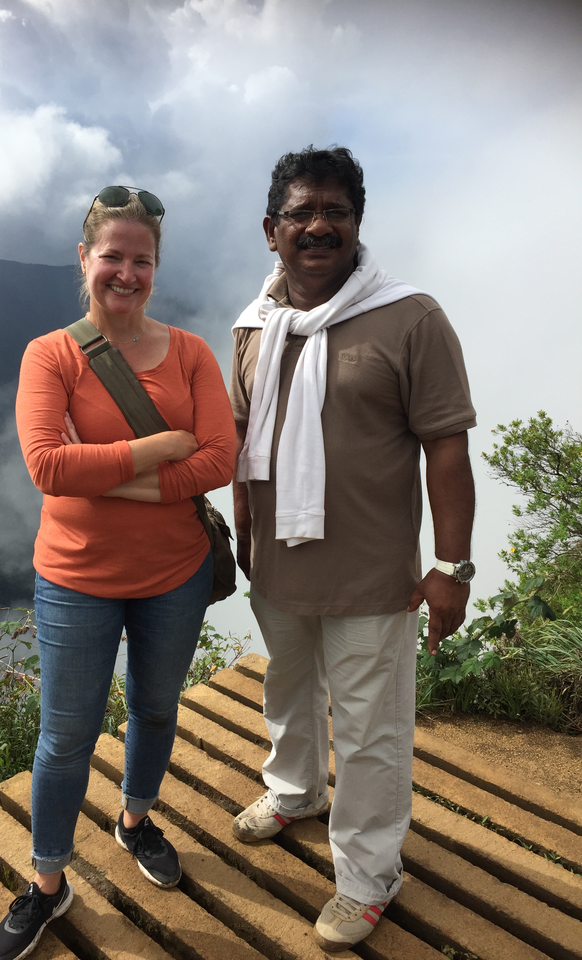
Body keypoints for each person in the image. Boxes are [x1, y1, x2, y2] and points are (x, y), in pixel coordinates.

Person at [230, 147, 476, 952]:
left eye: (335, 211)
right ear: (272, 231)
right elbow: (239, 443)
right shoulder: (253, 326)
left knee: (372, 732)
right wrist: (243, 535)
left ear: (357, 225)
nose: (318, 226)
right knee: (287, 691)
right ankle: (295, 790)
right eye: (300, 213)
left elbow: (445, 449)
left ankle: (369, 876)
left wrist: (450, 567)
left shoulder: (411, 318)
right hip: (277, 568)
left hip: (375, 578)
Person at [0, 186, 236, 960]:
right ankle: (48, 885)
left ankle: (133, 821)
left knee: (157, 711)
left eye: (143, 260)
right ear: (84, 259)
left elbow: (220, 460)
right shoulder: (50, 354)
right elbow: (45, 466)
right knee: (65, 738)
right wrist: (164, 450)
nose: (127, 274)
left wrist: (109, 473)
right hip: (75, 578)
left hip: (176, 572)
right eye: (113, 257)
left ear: (156, 267)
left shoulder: (192, 352)